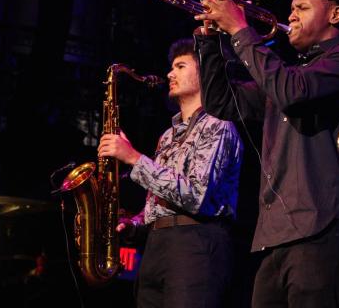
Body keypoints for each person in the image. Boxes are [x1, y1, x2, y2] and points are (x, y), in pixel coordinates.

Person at [192, 0, 339, 307]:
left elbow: (291, 92)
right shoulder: (287, 74)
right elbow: (221, 101)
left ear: (336, 15)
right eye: (291, 8)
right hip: (276, 236)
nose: (290, 15)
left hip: (325, 229)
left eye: (302, 7)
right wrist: (212, 37)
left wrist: (239, 28)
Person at [97, 39, 243, 308]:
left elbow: (196, 195)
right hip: (157, 245)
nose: (169, 74)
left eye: (180, 66)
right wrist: (135, 223)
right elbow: (163, 200)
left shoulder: (218, 125)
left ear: (206, 74)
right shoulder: (167, 136)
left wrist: (133, 158)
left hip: (196, 244)